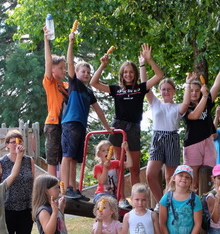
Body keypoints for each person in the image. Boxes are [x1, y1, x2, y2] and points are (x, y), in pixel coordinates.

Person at [90, 44, 164, 186]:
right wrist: (102, 65)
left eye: (131, 72)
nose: (128, 75)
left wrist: (149, 60)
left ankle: (136, 198)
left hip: (133, 129)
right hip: (118, 128)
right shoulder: (116, 90)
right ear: (122, 74)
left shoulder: (141, 88)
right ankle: (121, 198)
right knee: (118, 166)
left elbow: (159, 75)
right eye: (125, 72)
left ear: (135, 74)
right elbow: (94, 82)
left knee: (134, 168)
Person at [61, 31, 113, 199]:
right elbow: (70, 61)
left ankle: (74, 188)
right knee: (67, 156)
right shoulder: (74, 83)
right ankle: (66, 188)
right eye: (83, 71)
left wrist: (107, 128)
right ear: (76, 72)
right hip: (70, 123)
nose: (86, 74)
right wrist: (71, 42)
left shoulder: (88, 91)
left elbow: (98, 109)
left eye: (88, 72)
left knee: (76, 159)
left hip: (81, 126)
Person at [182, 51, 220, 190]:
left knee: (210, 173)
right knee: (194, 180)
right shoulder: (186, 108)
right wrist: (204, 97)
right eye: (191, 90)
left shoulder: (207, 100)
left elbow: (217, 84)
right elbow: (195, 116)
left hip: (207, 141)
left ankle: (209, 202)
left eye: (197, 90)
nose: (194, 93)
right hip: (192, 144)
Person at [146, 76, 191, 205]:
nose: (166, 92)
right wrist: (143, 64)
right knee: (150, 174)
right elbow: (146, 86)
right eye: (163, 89)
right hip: (157, 138)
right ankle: (161, 203)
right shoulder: (155, 103)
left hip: (172, 138)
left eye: (169, 89)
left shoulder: (177, 107)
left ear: (174, 91)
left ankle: (168, 204)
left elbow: (186, 103)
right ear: (160, 91)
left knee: (170, 177)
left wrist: (187, 84)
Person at [42, 26, 68, 177]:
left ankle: (64, 186)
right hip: (52, 124)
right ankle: (52, 185)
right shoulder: (50, 82)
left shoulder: (65, 85)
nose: (63, 71)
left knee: (64, 156)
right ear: (52, 70)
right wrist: (46, 40)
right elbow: (47, 61)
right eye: (61, 68)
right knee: (52, 158)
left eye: (64, 68)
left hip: (65, 123)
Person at [92, 140, 132, 205]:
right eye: (103, 150)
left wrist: (126, 150)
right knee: (106, 203)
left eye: (108, 150)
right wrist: (105, 168)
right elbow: (102, 181)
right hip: (101, 194)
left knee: (111, 204)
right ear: (98, 154)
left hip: (113, 195)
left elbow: (129, 164)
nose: (107, 152)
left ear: (112, 153)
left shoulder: (115, 163)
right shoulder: (98, 167)